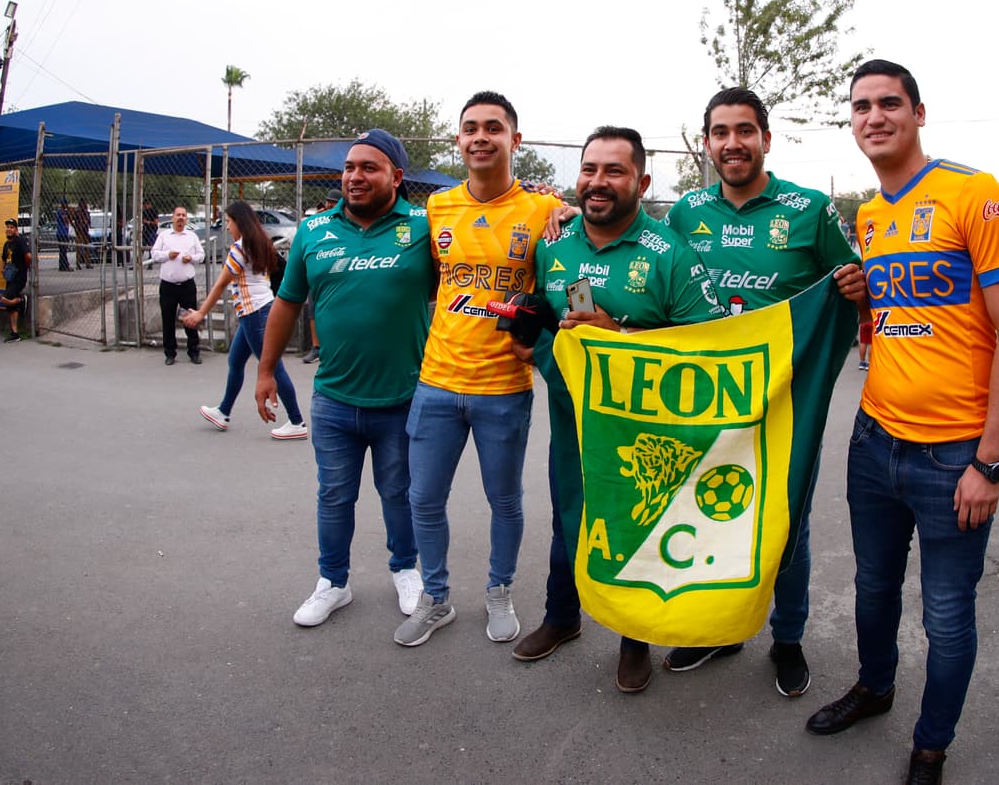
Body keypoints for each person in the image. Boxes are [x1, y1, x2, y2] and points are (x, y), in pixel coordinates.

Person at [811, 60, 999, 785]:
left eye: (888, 104)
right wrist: (859, 290)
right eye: (861, 106)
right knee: (873, 588)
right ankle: (875, 688)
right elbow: (901, 318)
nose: (873, 116)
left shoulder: (973, 192)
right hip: (875, 440)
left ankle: (931, 745)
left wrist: (988, 461)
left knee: (945, 614)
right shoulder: (870, 216)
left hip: (954, 457)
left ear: (918, 112)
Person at [646, 86, 861, 698]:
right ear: (707, 141)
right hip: (705, 403)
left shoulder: (810, 209)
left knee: (784, 523)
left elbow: (850, 289)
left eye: (745, 130)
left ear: (765, 138)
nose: (732, 143)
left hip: (783, 406)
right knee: (710, 517)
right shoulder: (686, 212)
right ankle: (719, 629)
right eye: (720, 132)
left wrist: (857, 286)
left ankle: (786, 639)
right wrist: (569, 218)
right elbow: (649, 267)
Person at [512, 125, 724, 692]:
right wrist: (531, 340)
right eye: (589, 169)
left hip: (644, 432)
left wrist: (621, 332)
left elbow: (704, 344)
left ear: (641, 181)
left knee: (636, 527)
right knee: (569, 518)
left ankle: (636, 637)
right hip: (571, 420)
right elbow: (547, 313)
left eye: (614, 171)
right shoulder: (553, 242)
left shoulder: (670, 254)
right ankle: (563, 617)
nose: (597, 182)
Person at [394, 91, 561, 648]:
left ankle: (499, 589)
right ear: (459, 141)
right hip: (437, 382)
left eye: (494, 127)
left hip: (504, 388)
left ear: (516, 140)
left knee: (505, 500)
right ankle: (436, 598)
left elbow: (575, 269)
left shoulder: (545, 210)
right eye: (471, 128)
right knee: (423, 499)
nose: (481, 136)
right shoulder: (437, 207)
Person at [256, 129, 431, 626]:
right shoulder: (314, 230)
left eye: (369, 168)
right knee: (334, 495)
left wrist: (552, 209)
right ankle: (333, 582)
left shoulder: (424, 225)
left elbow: (482, 247)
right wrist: (266, 370)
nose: (355, 176)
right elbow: (287, 303)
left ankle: (405, 570)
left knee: (399, 493)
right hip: (333, 400)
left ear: (396, 177)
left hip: (402, 397)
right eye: (350, 167)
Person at [184, 201, 307, 439]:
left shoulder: (240, 249)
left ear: (238, 222)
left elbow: (220, 284)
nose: (227, 227)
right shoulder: (259, 243)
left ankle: (297, 421)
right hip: (258, 310)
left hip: (255, 313)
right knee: (236, 361)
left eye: (228, 222)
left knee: (271, 367)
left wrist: (200, 313)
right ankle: (223, 411)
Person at [150, 206, 205, 365]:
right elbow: (154, 254)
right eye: (178, 215)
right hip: (168, 286)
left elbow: (201, 255)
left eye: (183, 215)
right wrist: (167, 255)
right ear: (172, 218)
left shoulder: (192, 236)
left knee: (190, 319)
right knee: (168, 320)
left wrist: (191, 258)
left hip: (187, 286)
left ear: (186, 219)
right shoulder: (164, 235)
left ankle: (194, 352)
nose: (181, 218)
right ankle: (170, 353)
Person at [302, 190, 341, 365]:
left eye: (334, 202)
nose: (330, 206)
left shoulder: (345, 221)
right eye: (328, 202)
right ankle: (316, 347)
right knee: (313, 309)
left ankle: (336, 346)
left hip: (339, 271)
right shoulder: (317, 222)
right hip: (319, 271)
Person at [0, 218, 31, 342]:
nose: (9, 229)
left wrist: (25, 267)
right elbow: (4, 258)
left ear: (16, 230)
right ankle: (15, 333)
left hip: (18, 278)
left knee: (4, 298)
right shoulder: (6, 244)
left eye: (11, 227)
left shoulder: (20, 241)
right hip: (10, 277)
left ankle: (21, 301)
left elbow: (28, 256)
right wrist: (3, 270)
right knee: (10, 308)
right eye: (7, 227)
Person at [72, 200, 93, 269]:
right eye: (84, 204)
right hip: (79, 232)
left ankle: (87, 263)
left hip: (85, 232)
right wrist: (76, 228)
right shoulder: (77, 213)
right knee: (79, 248)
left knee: (86, 248)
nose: (85, 206)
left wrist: (86, 223)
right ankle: (78, 264)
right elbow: (74, 221)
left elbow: (89, 222)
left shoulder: (87, 213)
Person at [54, 200, 73, 271]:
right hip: (61, 233)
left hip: (65, 233)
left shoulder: (65, 212)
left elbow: (70, 220)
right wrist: (68, 212)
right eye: (66, 204)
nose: (67, 205)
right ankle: (65, 266)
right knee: (63, 250)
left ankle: (62, 266)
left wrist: (69, 213)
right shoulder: (61, 211)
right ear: (63, 204)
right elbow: (65, 220)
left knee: (63, 251)